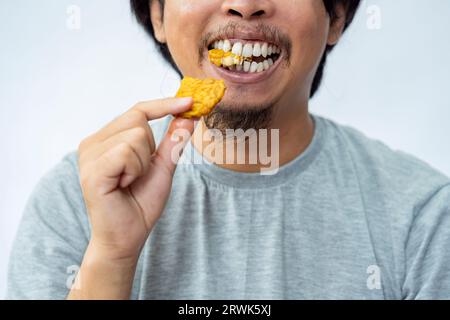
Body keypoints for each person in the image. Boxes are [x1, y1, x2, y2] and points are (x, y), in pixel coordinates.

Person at [7, 0, 450, 300]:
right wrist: (110, 258)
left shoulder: (423, 216)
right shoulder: (74, 199)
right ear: (158, 15)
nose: (244, 2)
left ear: (335, 17)